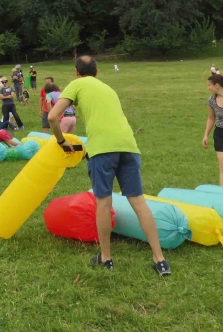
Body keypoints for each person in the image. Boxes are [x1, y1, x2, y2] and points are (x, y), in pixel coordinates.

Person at [48, 55, 171, 277]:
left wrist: (61, 140)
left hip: (102, 149)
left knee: (103, 203)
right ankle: (160, 260)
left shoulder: (77, 84)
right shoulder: (108, 88)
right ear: (97, 72)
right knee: (139, 203)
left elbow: (52, 116)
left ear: (77, 72)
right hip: (129, 146)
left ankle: (106, 258)